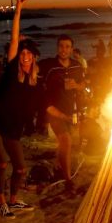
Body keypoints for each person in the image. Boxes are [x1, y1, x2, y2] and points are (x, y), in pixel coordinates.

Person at [0, 0, 41, 217]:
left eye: (28, 55)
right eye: (22, 54)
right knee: (2, 162)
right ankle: (2, 202)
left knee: (21, 168)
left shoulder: (34, 82)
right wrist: (18, 10)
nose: (24, 57)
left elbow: (31, 108)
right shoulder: (12, 71)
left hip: (12, 127)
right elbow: (14, 40)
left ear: (34, 58)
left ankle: (14, 200)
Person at [39, 34, 85, 185]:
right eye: (61, 46)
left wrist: (77, 86)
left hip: (72, 112)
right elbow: (35, 73)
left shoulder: (77, 66)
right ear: (57, 48)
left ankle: (59, 166)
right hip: (54, 112)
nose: (64, 50)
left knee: (66, 143)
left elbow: (83, 85)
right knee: (66, 141)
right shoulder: (49, 66)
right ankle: (67, 178)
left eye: (67, 47)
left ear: (72, 49)